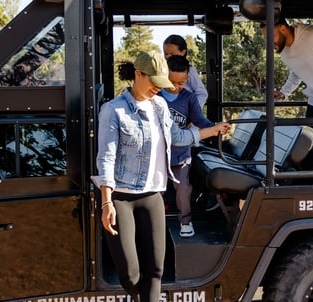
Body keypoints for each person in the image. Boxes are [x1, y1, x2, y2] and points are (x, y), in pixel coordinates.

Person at [96, 51, 229, 302]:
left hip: (153, 195)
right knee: (132, 276)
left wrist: (211, 130)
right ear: (138, 74)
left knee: (156, 270)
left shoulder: (160, 106)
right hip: (121, 199)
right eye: (155, 81)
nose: (160, 88)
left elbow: (178, 138)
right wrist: (106, 203)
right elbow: (106, 158)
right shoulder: (113, 111)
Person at [160, 55, 215, 238]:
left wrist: (214, 128)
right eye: (171, 83)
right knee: (155, 189)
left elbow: (199, 119)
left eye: (181, 83)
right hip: (158, 154)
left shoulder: (189, 98)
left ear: (187, 79)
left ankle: (185, 221)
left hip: (180, 153)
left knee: (183, 186)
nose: (175, 88)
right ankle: (155, 222)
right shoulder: (156, 96)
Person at [163, 34, 208, 108]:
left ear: (183, 52)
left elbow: (202, 93)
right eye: (166, 54)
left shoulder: (190, 70)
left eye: (172, 54)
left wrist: (193, 112)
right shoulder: (163, 69)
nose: (168, 56)